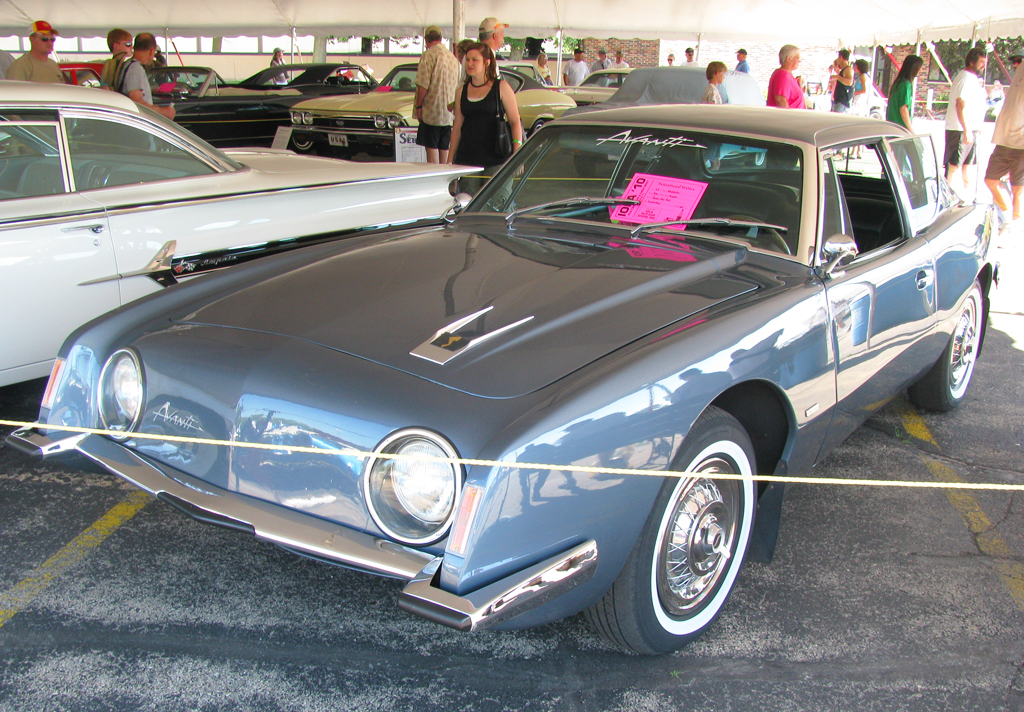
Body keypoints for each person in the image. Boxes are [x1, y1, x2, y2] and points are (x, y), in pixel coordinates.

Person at [449, 43, 523, 172]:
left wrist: (517, 154)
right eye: (467, 60)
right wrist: (450, 160)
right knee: (469, 192)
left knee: (499, 192)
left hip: (497, 159)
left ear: (487, 62)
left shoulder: (501, 87)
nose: (470, 63)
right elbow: (457, 128)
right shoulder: (461, 91)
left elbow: (515, 121)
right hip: (467, 160)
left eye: (475, 60)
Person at [984, 55, 1024, 228]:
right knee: (991, 179)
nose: (1015, 65)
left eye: (1018, 62)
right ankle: (1007, 218)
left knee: (1018, 189)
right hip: (1004, 139)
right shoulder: (1018, 76)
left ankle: (1013, 224)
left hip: (1020, 143)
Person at [414, 25, 461, 164]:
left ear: (426, 40)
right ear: (441, 38)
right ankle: (445, 181)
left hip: (431, 111)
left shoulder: (428, 55)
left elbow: (423, 84)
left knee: (431, 147)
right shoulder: (452, 57)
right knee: (444, 147)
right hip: (448, 112)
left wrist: (419, 105)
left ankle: (433, 179)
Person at [945, 47, 988, 189]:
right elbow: (960, 105)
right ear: (971, 61)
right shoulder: (965, 78)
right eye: (981, 62)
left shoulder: (973, 79)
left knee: (968, 164)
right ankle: (947, 192)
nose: (984, 65)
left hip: (970, 128)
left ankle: (967, 192)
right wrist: (966, 129)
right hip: (959, 128)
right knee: (954, 164)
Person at [120, 34, 176, 119]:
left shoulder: (128, 64)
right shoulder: (135, 69)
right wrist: (164, 112)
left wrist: (154, 108)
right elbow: (137, 101)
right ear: (151, 51)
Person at [885, 54, 923, 131]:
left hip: (891, 125)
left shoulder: (898, 82)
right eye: (919, 68)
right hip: (900, 128)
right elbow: (903, 109)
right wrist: (911, 131)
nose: (920, 71)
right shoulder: (906, 85)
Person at [767, 45, 805, 109]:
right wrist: (788, 117)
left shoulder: (788, 76)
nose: (799, 61)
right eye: (798, 58)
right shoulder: (782, 74)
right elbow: (780, 99)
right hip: (790, 118)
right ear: (789, 58)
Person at [830, 49, 854, 113]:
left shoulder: (848, 69)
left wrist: (837, 77)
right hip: (838, 100)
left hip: (842, 101)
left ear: (841, 57)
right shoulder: (843, 70)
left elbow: (849, 82)